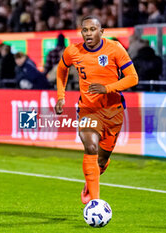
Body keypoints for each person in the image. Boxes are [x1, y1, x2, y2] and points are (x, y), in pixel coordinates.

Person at [55, 15, 138, 204]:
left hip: (113, 110)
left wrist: (107, 88)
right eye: (85, 30)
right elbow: (61, 70)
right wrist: (61, 96)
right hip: (88, 109)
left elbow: (133, 78)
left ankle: (90, 180)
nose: (88, 33)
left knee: (101, 161)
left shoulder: (115, 49)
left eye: (92, 29)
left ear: (101, 32)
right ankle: (95, 202)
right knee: (90, 145)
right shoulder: (73, 51)